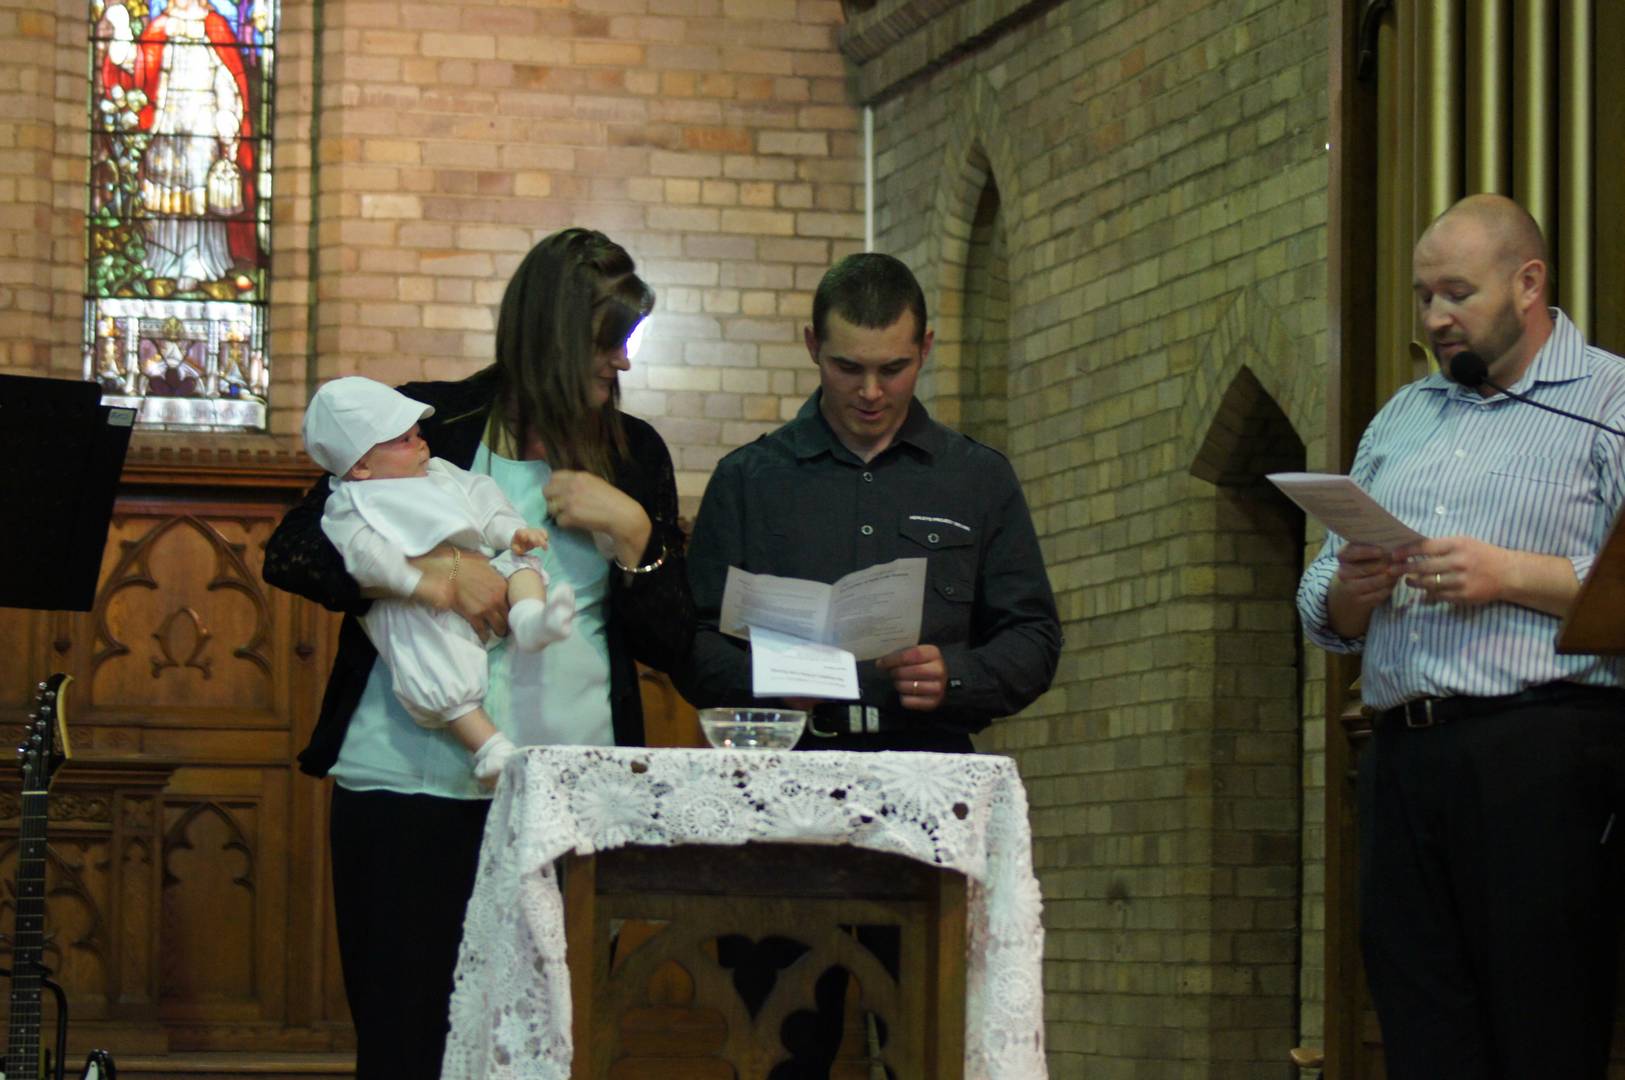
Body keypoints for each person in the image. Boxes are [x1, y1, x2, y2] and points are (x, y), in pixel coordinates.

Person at [262, 228, 692, 1080]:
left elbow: (670, 639)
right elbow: (295, 552)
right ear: (548, 336)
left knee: (549, 1047)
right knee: (405, 1046)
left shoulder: (634, 453)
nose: (621, 363)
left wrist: (636, 535)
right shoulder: (429, 422)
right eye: (608, 343)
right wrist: (436, 575)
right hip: (406, 785)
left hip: (562, 791)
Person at [1297, 193, 1625, 1079]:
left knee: (1542, 1030)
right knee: (1421, 1032)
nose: (1435, 318)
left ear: (1528, 283)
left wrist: (1506, 574)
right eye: (1422, 297)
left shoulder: (1607, 401)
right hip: (1401, 756)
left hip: (1541, 754)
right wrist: (1353, 590)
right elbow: (1319, 601)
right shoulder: (1403, 416)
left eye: (1456, 293)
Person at [681, 251, 1062, 752]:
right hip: (789, 761)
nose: (871, 392)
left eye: (893, 369)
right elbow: (691, 641)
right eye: (848, 367)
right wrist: (766, 680)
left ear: (925, 349)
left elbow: (1033, 637)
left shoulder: (977, 477)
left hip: (928, 761)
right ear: (813, 346)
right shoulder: (747, 480)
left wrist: (955, 675)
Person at [301, 376, 578, 788]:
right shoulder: (350, 503)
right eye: (404, 440)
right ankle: (489, 747)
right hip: (416, 608)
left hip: (491, 597)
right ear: (360, 465)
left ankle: (531, 620)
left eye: (417, 434)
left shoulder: (440, 473)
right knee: (429, 658)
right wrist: (416, 583)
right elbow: (365, 556)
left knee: (522, 562)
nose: (421, 444)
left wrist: (512, 533)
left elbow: (484, 499)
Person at [101, 0, 258, 287]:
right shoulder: (161, 26)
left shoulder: (215, 26)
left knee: (200, 191)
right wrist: (123, 40)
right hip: (166, 122)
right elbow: (141, 69)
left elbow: (227, 76)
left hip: (203, 123)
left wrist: (227, 115)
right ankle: (161, 260)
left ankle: (201, 262)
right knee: (164, 186)